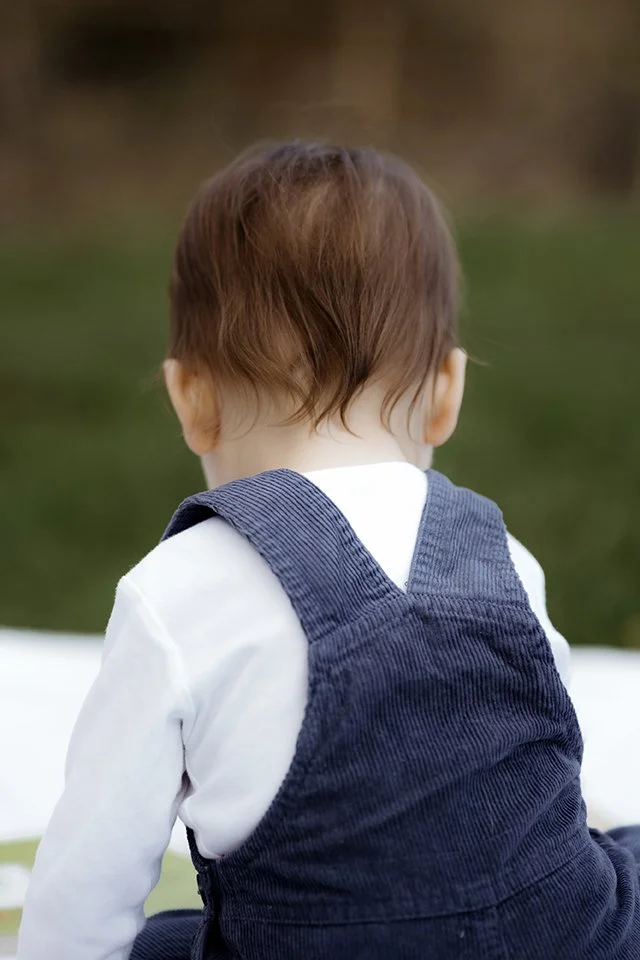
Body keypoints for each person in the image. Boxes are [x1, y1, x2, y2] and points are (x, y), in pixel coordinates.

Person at [17, 142, 639, 960]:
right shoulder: (506, 560)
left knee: (171, 940)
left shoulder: (175, 592)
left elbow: (90, 873)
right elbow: (541, 765)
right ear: (447, 393)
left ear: (191, 398)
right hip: (557, 936)